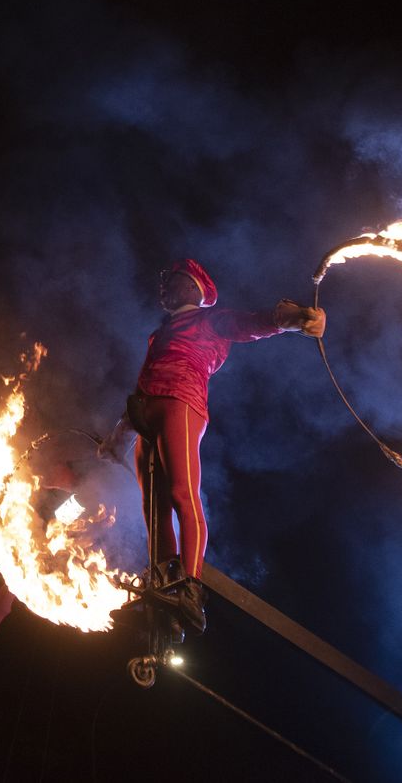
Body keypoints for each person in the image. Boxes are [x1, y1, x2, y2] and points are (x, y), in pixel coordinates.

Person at [99, 259, 324, 633]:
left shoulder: (208, 320)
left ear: (193, 289)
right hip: (146, 415)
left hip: (180, 404)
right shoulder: (160, 334)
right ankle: (162, 588)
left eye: (173, 281)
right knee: (153, 508)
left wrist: (298, 318)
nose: (164, 288)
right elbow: (141, 385)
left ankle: (190, 589)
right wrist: (117, 439)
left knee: (182, 492)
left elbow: (254, 323)